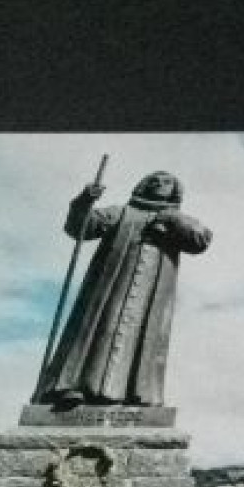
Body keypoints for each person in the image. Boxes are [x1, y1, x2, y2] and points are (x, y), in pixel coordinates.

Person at [37, 170, 212, 406]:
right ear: (143, 185)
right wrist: (84, 201)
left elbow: (200, 240)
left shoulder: (177, 219)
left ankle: (132, 395)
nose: (159, 184)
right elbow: (81, 227)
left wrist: (172, 218)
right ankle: (73, 387)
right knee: (99, 331)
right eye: (154, 180)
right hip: (109, 289)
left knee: (138, 341)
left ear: (175, 190)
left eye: (166, 182)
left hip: (150, 298)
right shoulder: (120, 212)